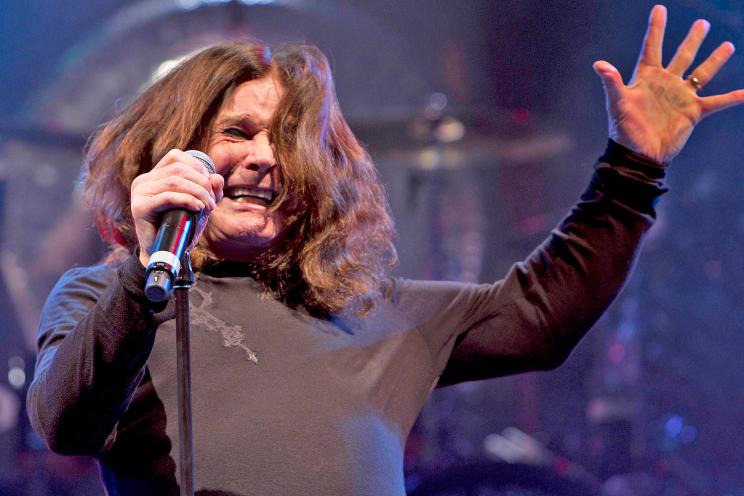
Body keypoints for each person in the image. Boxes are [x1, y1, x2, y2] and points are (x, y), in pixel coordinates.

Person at [26, 5, 744, 496]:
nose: (265, 159)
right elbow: (68, 423)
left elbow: (541, 312)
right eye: (236, 133)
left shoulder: (365, 310)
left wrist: (631, 169)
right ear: (168, 155)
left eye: (287, 143)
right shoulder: (106, 299)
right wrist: (143, 271)